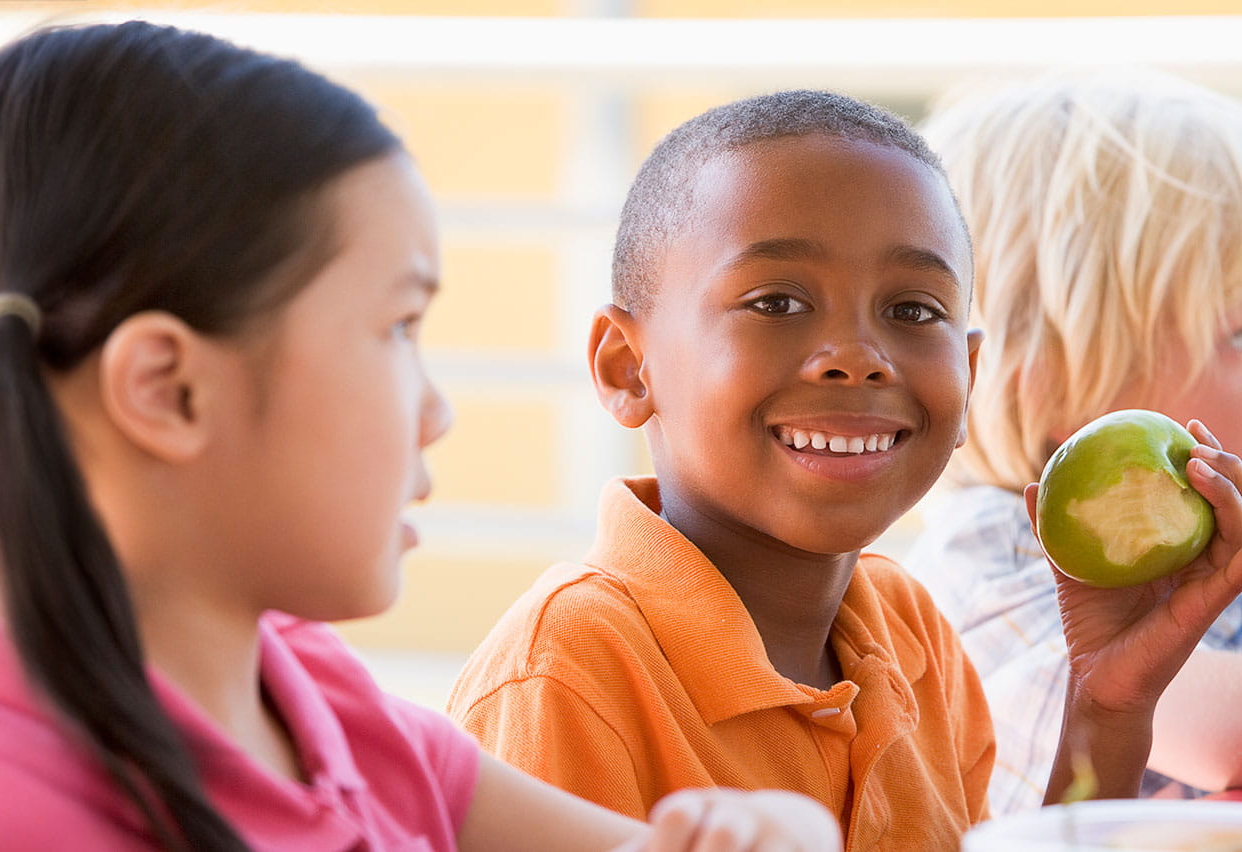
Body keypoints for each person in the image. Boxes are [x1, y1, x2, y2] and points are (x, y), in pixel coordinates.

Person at [0, 21, 843, 852]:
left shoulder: (300, 690)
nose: (436, 410)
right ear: (169, 390)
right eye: (396, 328)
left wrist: (752, 832)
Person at [446, 89, 1242, 849]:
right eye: (777, 302)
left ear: (969, 377)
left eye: (912, 311)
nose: (856, 360)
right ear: (629, 368)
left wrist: (1108, 704)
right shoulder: (568, 672)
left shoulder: (912, 633)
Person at [902, 71, 1242, 814]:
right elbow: (1222, 735)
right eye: (1238, 336)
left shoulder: (1200, 535)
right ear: (1055, 390)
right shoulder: (1002, 553)